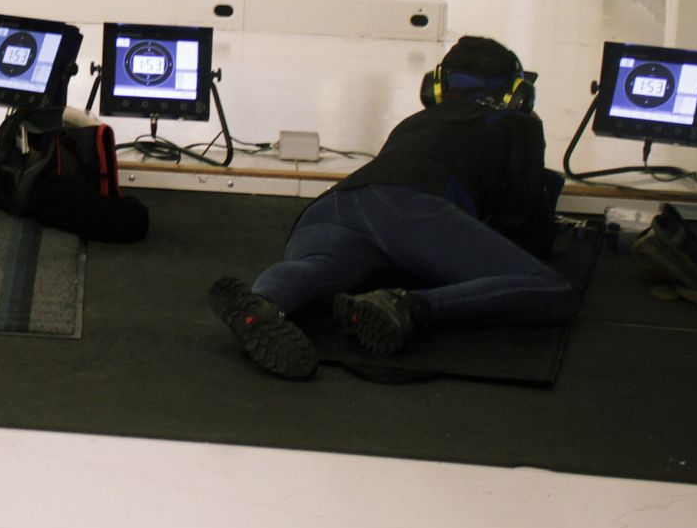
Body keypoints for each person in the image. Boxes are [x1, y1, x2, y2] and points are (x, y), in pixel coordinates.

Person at [209, 36, 576, 379]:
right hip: (411, 210)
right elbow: (527, 232)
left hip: (332, 207)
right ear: (517, 94)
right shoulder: (518, 124)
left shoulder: (414, 123)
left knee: (317, 269)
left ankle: (264, 302)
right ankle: (405, 306)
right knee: (548, 290)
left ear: (435, 87)